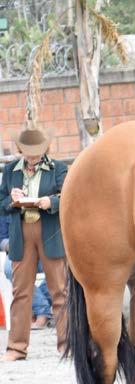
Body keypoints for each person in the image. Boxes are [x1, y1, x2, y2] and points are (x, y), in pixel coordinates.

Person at [0, 122, 68, 361]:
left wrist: (52, 202)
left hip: (50, 232)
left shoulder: (58, 168)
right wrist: (11, 199)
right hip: (21, 233)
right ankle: (16, 348)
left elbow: (68, 197)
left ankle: (66, 346)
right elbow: (1, 205)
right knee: (21, 292)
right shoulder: (10, 171)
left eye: (37, 151)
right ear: (21, 149)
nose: (33, 156)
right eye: (28, 151)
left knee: (60, 291)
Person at [1, 215, 53, 329]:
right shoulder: (6, 206)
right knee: (9, 269)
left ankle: (37, 309)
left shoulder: (44, 204)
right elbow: (2, 239)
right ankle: (42, 311)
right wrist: (15, 245)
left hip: (45, 250)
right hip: (20, 252)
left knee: (66, 267)